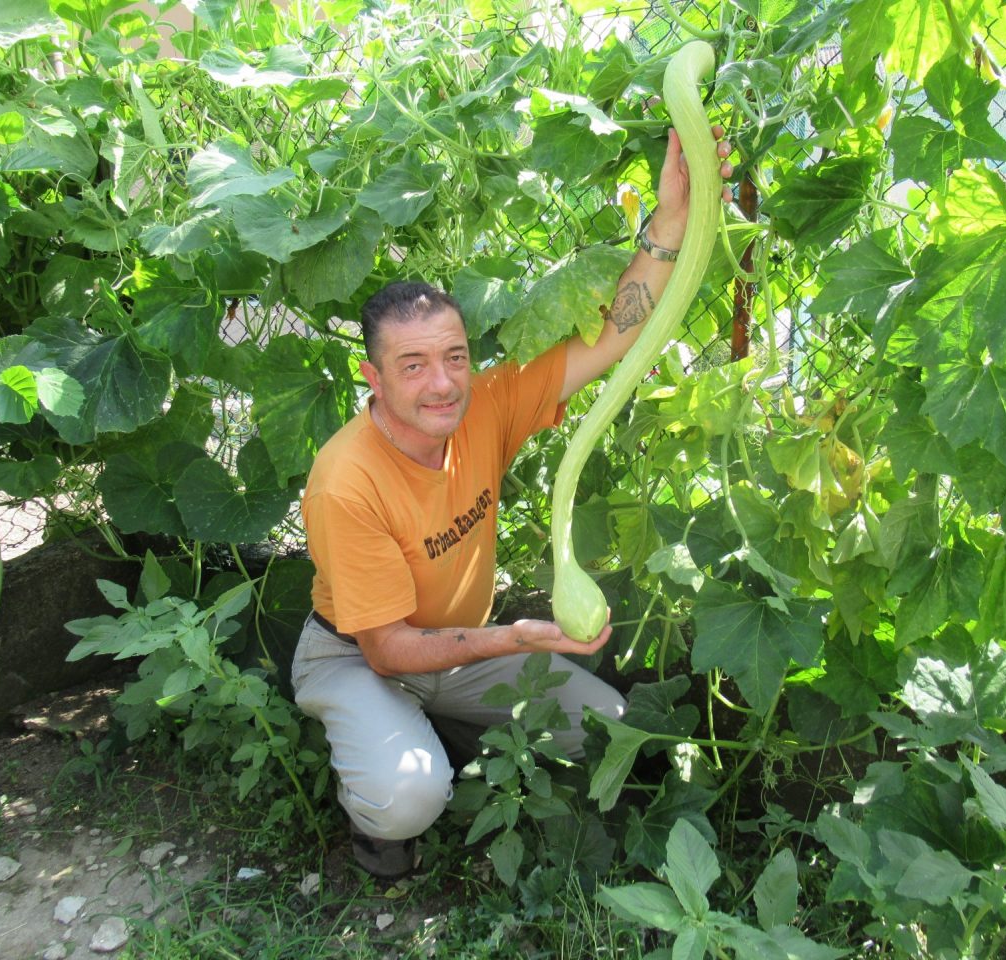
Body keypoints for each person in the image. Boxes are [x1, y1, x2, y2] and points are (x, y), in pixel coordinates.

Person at [292, 127, 733, 879]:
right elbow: (391, 648)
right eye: (414, 365)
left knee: (609, 727)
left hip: (455, 650)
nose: (443, 383)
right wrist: (520, 638)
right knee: (407, 794)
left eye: (455, 357)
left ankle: (440, 726)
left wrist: (668, 225)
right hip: (361, 656)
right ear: (373, 376)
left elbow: (612, 338)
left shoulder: (485, 405)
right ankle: (378, 819)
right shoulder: (345, 480)